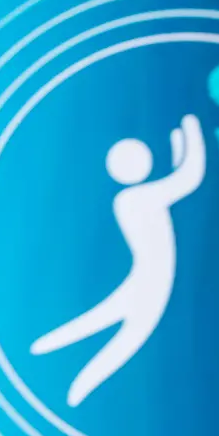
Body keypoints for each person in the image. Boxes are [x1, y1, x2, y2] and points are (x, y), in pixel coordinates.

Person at [30, 112, 206, 406]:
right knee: (119, 342)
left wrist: (178, 140)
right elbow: (188, 178)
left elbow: (177, 179)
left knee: (106, 335)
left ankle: (61, 373)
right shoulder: (141, 199)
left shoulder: (127, 200)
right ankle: (67, 383)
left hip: (145, 282)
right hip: (148, 284)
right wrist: (191, 128)